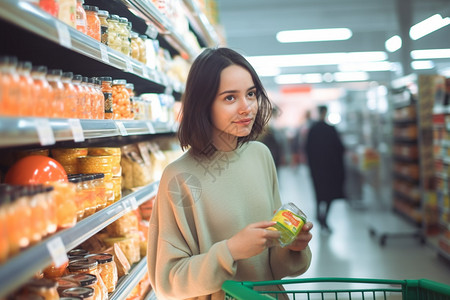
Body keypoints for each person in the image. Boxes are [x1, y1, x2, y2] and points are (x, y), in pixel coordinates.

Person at [147, 47, 313, 300]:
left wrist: (290, 245)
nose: (247, 107)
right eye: (230, 98)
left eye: (251, 94)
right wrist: (230, 251)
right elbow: (168, 282)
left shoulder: (260, 155)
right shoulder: (179, 177)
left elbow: (272, 266)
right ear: (203, 105)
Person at [305, 105, 345, 233]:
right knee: (329, 195)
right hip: (330, 169)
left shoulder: (313, 130)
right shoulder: (331, 129)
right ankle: (324, 218)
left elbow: (307, 149)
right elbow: (340, 149)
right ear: (326, 112)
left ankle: (319, 215)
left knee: (318, 193)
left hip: (317, 168)